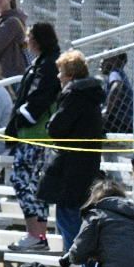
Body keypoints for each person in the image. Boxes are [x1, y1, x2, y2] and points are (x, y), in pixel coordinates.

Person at [37, 50, 107, 252]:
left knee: (68, 220)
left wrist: (51, 123)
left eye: (60, 72)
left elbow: (56, 127)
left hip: (71, 171)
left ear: (70, 74)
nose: (58, 77)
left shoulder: (75, 95)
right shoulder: (90, 96)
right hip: (86, 166)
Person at [7, 22, 61, 251]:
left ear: (38, 40)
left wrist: (23, 116)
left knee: (26, 183)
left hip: (37, 136)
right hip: (29, 135)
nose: (26, 41)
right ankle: (37, 236)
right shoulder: (39, 63)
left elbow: (40, 98)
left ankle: (37, 235)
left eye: (29, 37)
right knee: (28, 183)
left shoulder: (49, 65)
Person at [101, 53, 134, 133]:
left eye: (105, 59)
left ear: (114, 61)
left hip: (118, 122)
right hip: (125, 123)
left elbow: (117, 86)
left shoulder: (115, 72)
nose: (101, 61)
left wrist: (107, 111)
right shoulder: (121, 74)